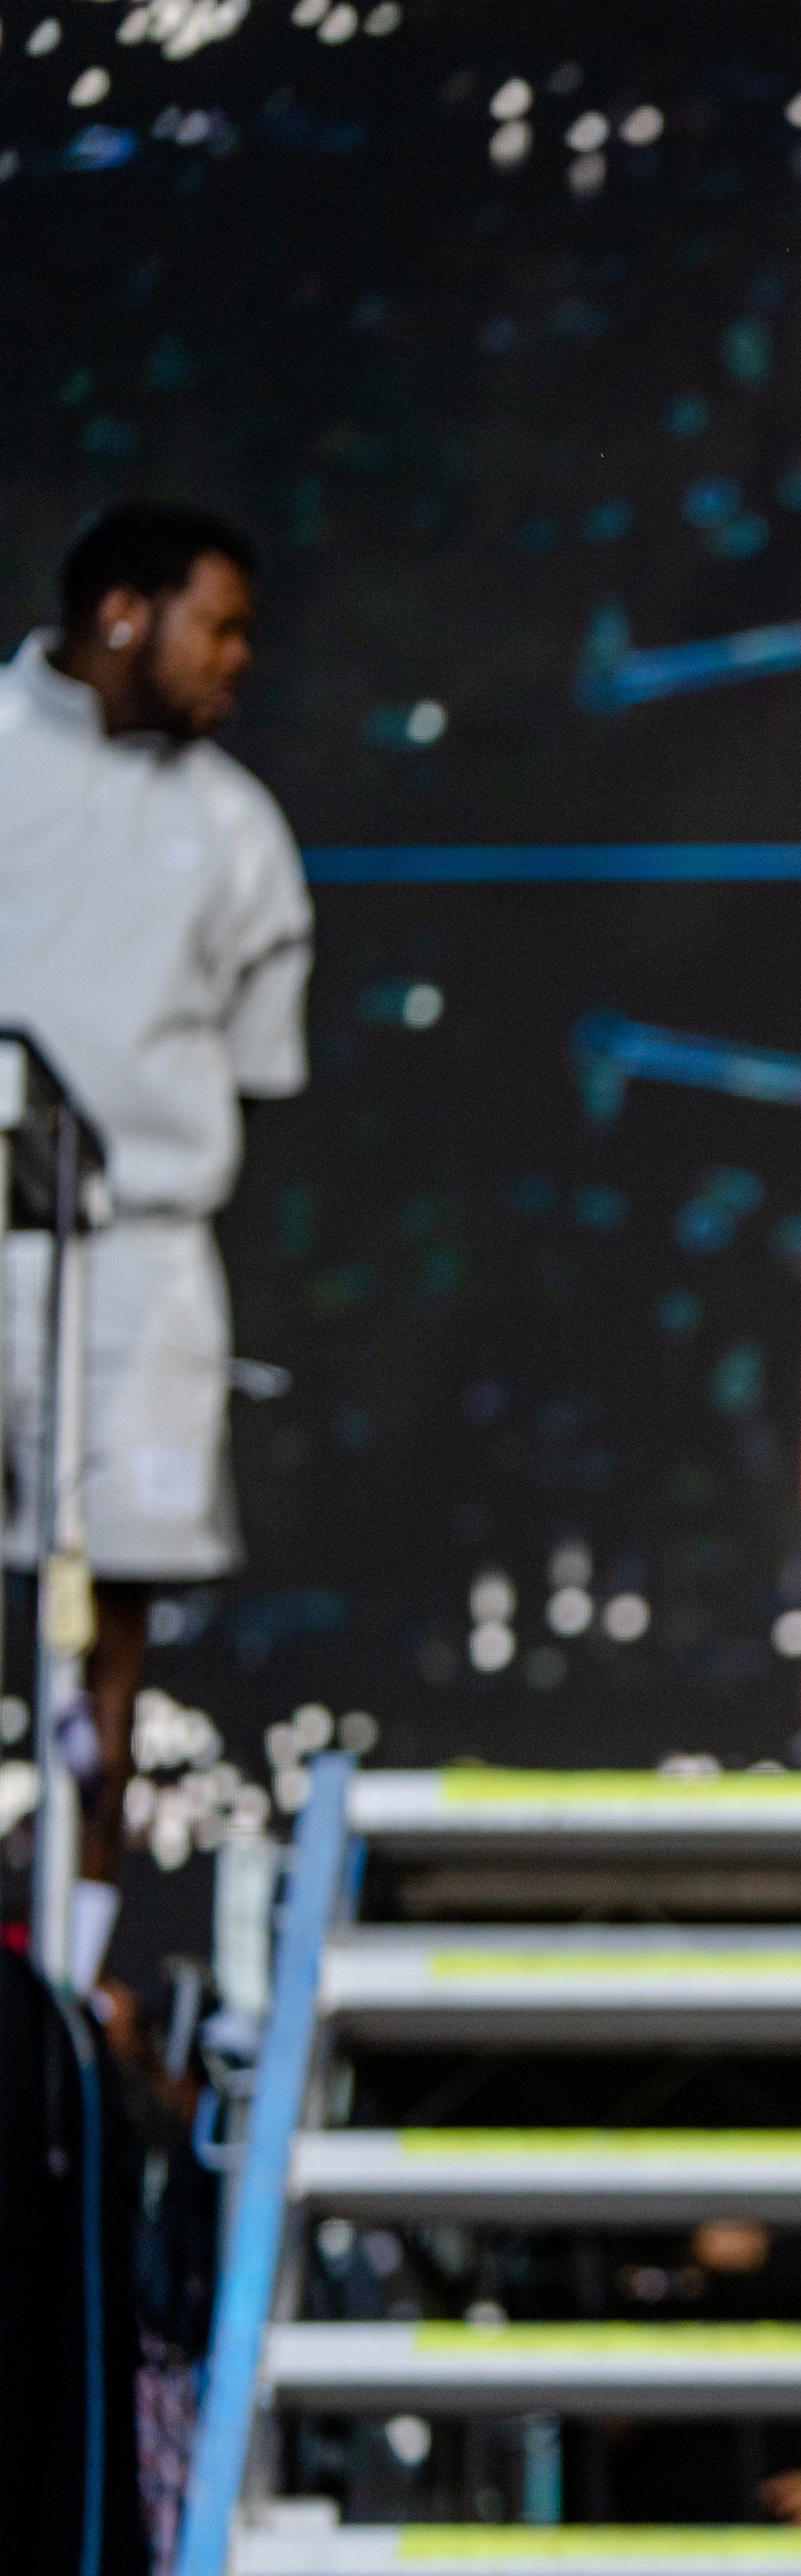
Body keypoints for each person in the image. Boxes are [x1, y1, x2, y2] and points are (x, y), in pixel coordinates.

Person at [0, 502, 310, 1979]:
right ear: (126, 614)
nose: (238, 659)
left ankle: (79, 1954)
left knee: (113, 1611)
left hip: (140, 1255)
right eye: (220, 625)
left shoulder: (237, 827)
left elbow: (252, 1063)